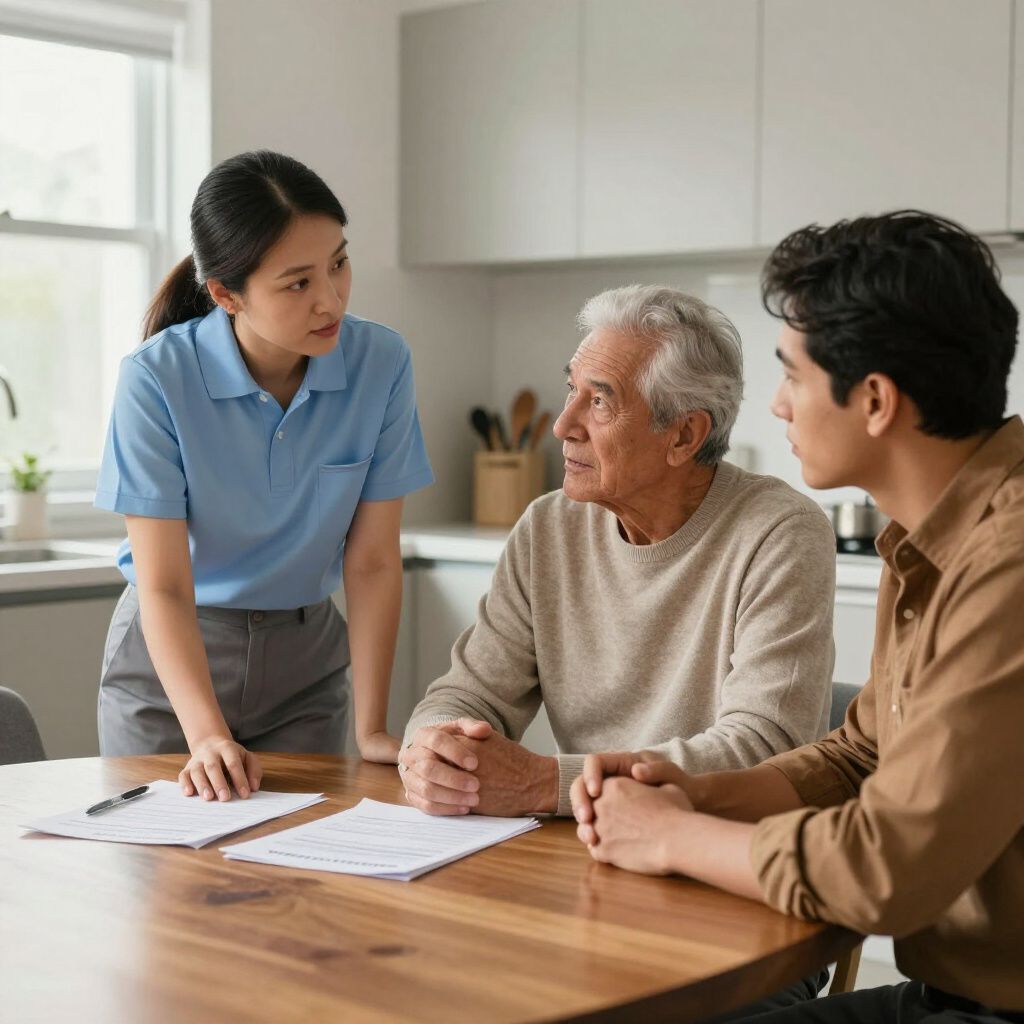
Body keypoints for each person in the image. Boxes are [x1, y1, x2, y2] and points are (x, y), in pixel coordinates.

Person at [572, 211, 1024, 1022]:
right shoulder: (930, 537)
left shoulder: (1009, 567)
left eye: (792, 375)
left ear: (876, 401)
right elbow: (862, 753)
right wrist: (700, 793)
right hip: (945, 995)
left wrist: (671, 837)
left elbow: (884, 871)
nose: (778, 406)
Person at [399, 285, 837, 819]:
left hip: (724, 851)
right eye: (571, 390)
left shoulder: (779, 532)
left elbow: (764, 748)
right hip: (589, 843)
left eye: (600, 401)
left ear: (683, 436)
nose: (563, 425)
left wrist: (545, 785)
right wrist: (431, 750)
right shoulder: (547, 527)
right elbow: (467, 695)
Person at [95, 150, 433, 802]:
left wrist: (371, 728)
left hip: (306, 668)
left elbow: (370, 563)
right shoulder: (156, 380)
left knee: (301, 882)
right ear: (225, 294)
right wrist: (206, 735)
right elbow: (163, 584)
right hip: (174, 672)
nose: (330, 298)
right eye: (297, 282)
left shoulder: (382, 362)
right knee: (167, 884)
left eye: (338, 263)